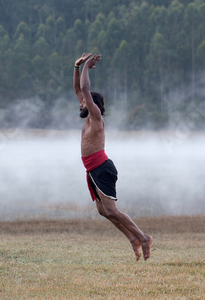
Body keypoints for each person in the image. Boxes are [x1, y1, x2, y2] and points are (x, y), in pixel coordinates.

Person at [73, 52, 152, 261]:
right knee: (103, 211)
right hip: (92, 170)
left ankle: (143, 238)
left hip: (101, 167)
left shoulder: (95, 117)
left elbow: (86, 90)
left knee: (112, 211)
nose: (80, 103)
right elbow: (79, 90)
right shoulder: (88, 119)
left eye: (84, 102)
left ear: (93, 105)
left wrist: (87, 68)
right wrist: (76, 67)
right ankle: (132, 239)